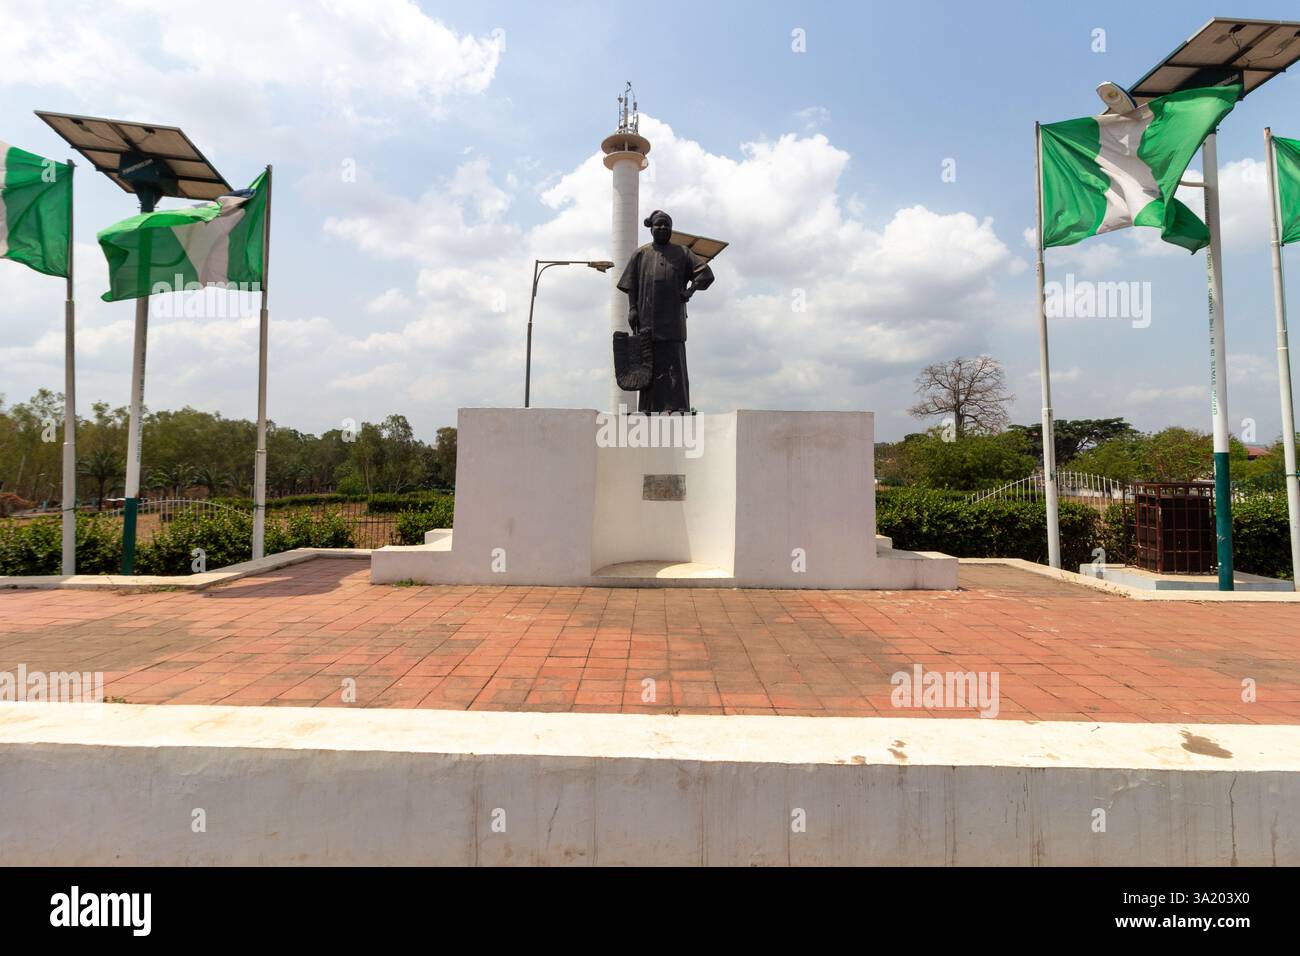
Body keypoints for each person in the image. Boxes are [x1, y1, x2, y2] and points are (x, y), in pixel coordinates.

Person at [616, 210, 713, 413]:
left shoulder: (682, 252)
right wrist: (632, 308)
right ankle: (649, 407)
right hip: (646, 319)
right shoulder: (641, 254)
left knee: (673, 362)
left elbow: (705, 273)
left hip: (673, 321)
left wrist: (690, 290)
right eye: (658, 225)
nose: (662, 228)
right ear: (651, 229)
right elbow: (631, 284)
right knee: (649, 364)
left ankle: (677, 407)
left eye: (666, 225)